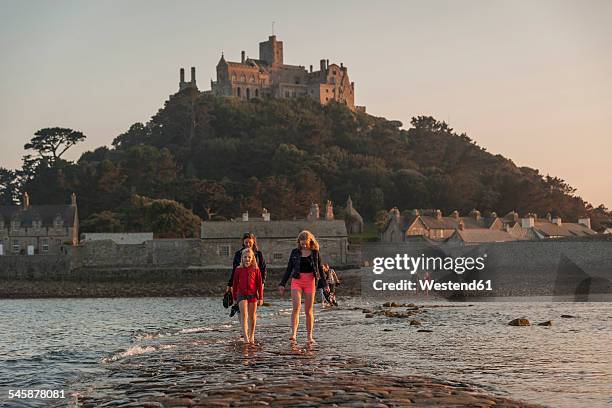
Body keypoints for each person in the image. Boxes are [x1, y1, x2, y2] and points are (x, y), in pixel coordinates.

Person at [278, 230, 328, 344]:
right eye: (302, 243)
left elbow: (320, 269)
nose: (303, 245)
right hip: (297, 281)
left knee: (308, 310)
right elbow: (289, 268)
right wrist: (282, 283)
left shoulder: (315, 252)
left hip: (310, 281)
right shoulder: (294, 252)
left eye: (305, 243)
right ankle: (293, 335)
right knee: (296, 308)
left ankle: (309, 336)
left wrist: (325, 285)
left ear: (310, 242)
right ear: (299, 242)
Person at [227, 233, 267, 317]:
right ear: (243, 242)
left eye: (250, 242)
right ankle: (243, 328)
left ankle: (249, 327)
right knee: (241, 310)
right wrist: (229, 285)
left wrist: (262, 283)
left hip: (254, 285)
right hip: (240, 285)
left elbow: (263, 270)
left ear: (253, 242)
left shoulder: (258, 254)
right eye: (246, 243)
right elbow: (234, 270)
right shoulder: (238, 254)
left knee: (252, 312)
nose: (248, 245)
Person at [232, 248, 264, 344]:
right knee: (244, 315)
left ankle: (252, 335)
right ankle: (245, 337)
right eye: (245, 257)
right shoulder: (238, 269)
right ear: (242, 258)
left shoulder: (256, 269)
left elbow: (259, 284)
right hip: (241, 295)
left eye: (249, 257)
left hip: (253, 295)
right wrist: (234, 298)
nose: (247, 259)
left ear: (253, 258)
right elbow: (235, 284)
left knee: (252, 316)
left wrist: (261, 297)